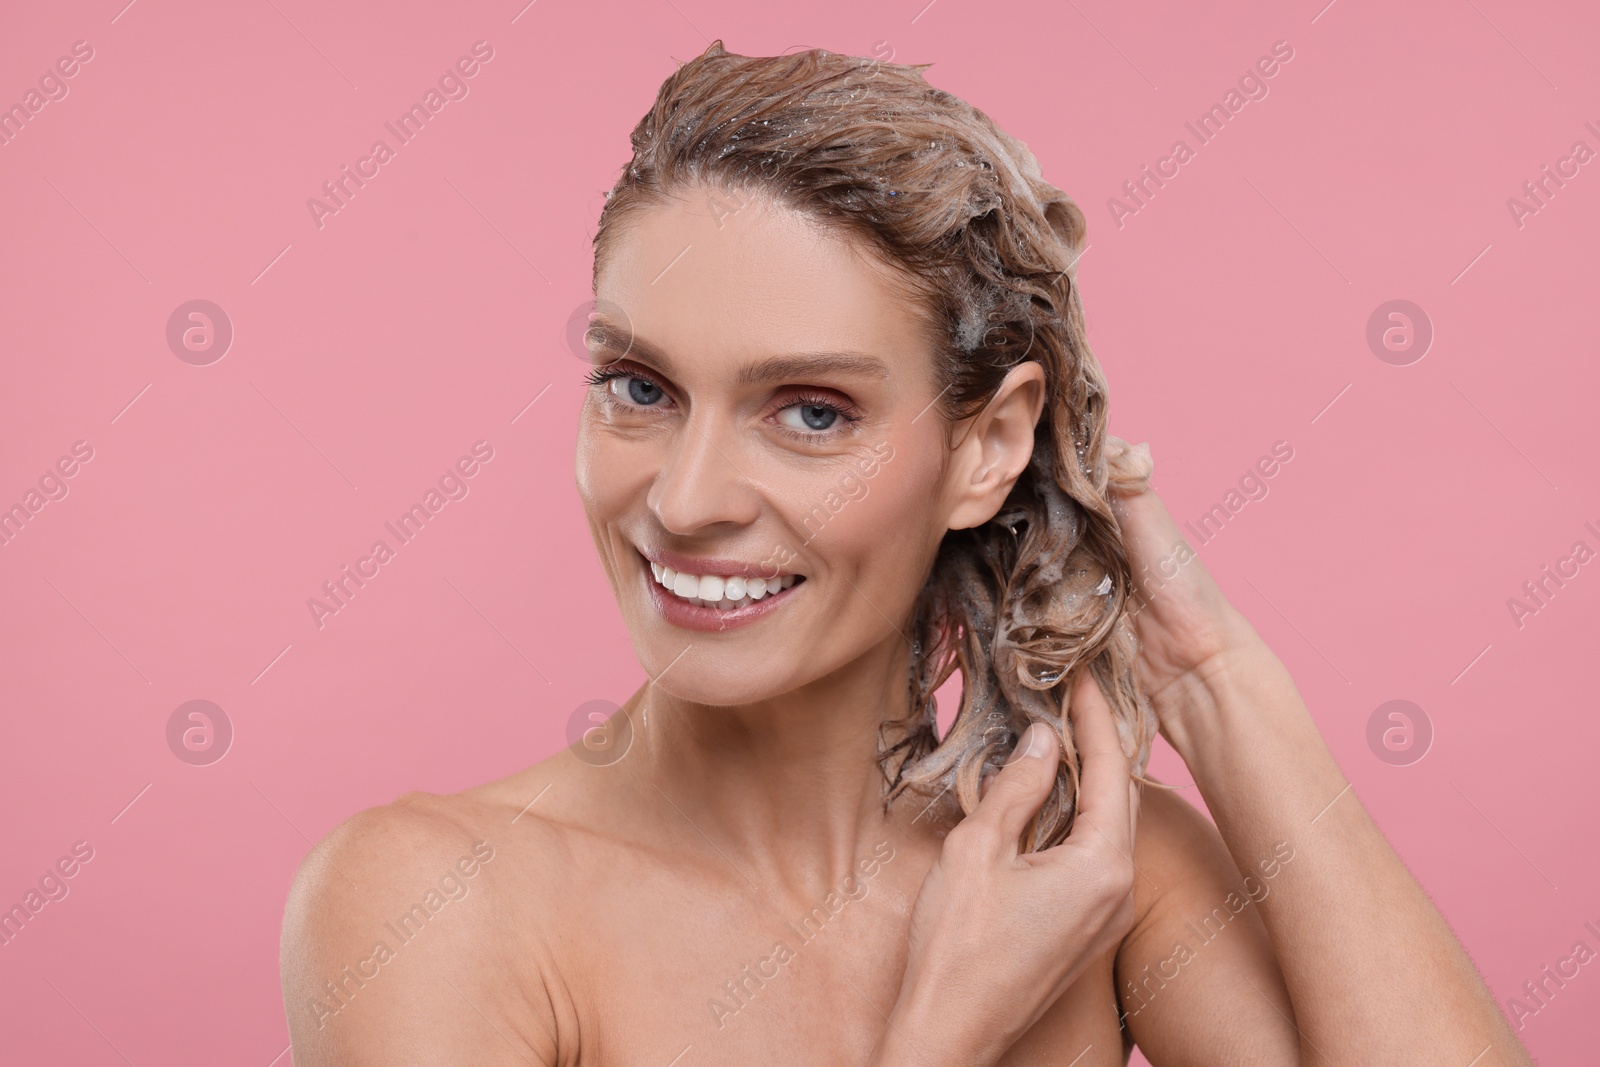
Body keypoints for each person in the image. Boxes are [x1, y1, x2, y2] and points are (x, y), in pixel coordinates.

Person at [279, 41, 1533, 1065]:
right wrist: (944, 1033)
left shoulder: (1091, 871)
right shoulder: (429, 902)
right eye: (638, 386)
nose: (686, 495)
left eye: (811, 410)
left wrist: (1213, 678)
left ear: (987, 445)